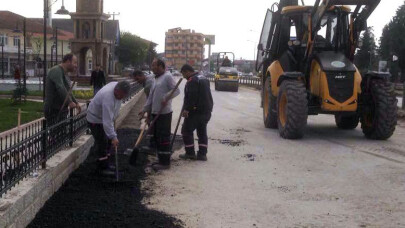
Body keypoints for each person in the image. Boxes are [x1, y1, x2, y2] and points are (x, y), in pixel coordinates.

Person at [139, 58, 180, 170]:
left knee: (163, 137)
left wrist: (166, 97)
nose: (152, 68)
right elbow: (151, 97)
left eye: (154, 66)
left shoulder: (167, 76)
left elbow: (176, 90)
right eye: (152, 66)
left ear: (161, 66)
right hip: (155, 112)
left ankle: (165, 162)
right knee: (157, 137)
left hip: (164, 113)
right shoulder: (155, 78)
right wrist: (144, 109)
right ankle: (160, 158)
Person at [86, 80, 131, 175]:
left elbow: (111, 115)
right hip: (95, 119)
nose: (122, 98)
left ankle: (106, 164)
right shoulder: (108, 98)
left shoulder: (117, 88)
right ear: (117, 91)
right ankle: (101, 168)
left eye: (124, 96)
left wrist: (112, 136)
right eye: (122, 95)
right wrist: (113, 136)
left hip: (103, 118)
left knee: (108, 142)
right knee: (102, 142)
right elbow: (106, 121)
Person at [178, 64, 213, 161]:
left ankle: (190, 153)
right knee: (202, 131)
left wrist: (187, 109)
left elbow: (192, 97)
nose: (184, 77)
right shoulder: (203, 78)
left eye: (183, 74)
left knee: (186, 131)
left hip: (195, 111)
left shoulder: (192, 81)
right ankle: (202, 154)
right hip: (206, 110)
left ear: (187, 71)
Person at [44, 53, 81, 122]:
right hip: (53, 110)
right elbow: (60, 87)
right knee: (55, 131)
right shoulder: (56, 70)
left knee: (62, 131)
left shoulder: (65, 73)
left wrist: (76, 103)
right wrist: (70, 102)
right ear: (68, 62)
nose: (76, 65)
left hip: (62, 109)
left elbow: (68, 90)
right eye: (75, 63)